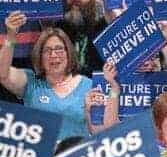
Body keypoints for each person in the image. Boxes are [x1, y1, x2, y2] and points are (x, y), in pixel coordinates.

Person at [0, 12, 95, 140]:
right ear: (39, 57)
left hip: (76, 156)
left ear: (69, 53)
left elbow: (100, 130)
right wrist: (11, 36)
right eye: (47, 50)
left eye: (59, 49)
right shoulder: (31, 83)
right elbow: (2, 74)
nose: (54, 55)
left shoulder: (89, 85)